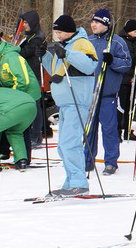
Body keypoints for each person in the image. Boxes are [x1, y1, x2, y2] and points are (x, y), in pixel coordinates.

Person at [42, 14, 98, 195]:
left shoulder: (81, 43)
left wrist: (68, 53)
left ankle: (79, 182)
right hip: (65, 102)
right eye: (56, 32)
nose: (57, 35)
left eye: (60, 32)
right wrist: (43, 55)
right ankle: (71, 180)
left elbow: (90, 66)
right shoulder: (65, 45)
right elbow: (54, 70)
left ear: (68, 31)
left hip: (77, 100)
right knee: (63, 145)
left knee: (70, 143)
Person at [0, 37, 41, 165]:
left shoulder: (11, 57)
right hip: (17, 97)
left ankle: (25, 158)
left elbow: (23, 80)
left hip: (28, 96)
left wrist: (12, 96)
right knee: (13, 127)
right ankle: (16, 156)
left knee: (22, 128)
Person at [86, 9, 132, 175]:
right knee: (89, 128)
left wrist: (113, 61)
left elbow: (127, 64)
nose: (93, 24)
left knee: (109, 129)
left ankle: (111, 161)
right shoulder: (88, 41)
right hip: (90, 94)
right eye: (92, 21)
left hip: (107, 94)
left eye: (98, 22)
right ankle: (87, 159)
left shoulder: (117, 42)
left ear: (106, 24)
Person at [15, 11, 47, 148]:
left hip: (33, 75)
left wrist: (13, 50)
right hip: (27, 74)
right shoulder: (29, 37)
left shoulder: (36, 38)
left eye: (27, 23)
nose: (25, 26)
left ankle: (36, 136)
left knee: (35, 105)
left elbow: (23, 53)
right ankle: (32, 134)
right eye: (24, 23)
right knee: (31, 105)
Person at [118, 19, 136, 141]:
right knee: (121, 107)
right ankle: (118, 130)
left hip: (133, 79)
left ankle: (127, 130)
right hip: (123, 78)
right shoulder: (122, 41)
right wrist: (134, 60)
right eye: (134, 31)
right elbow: (124, 58)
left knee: (130, 106)